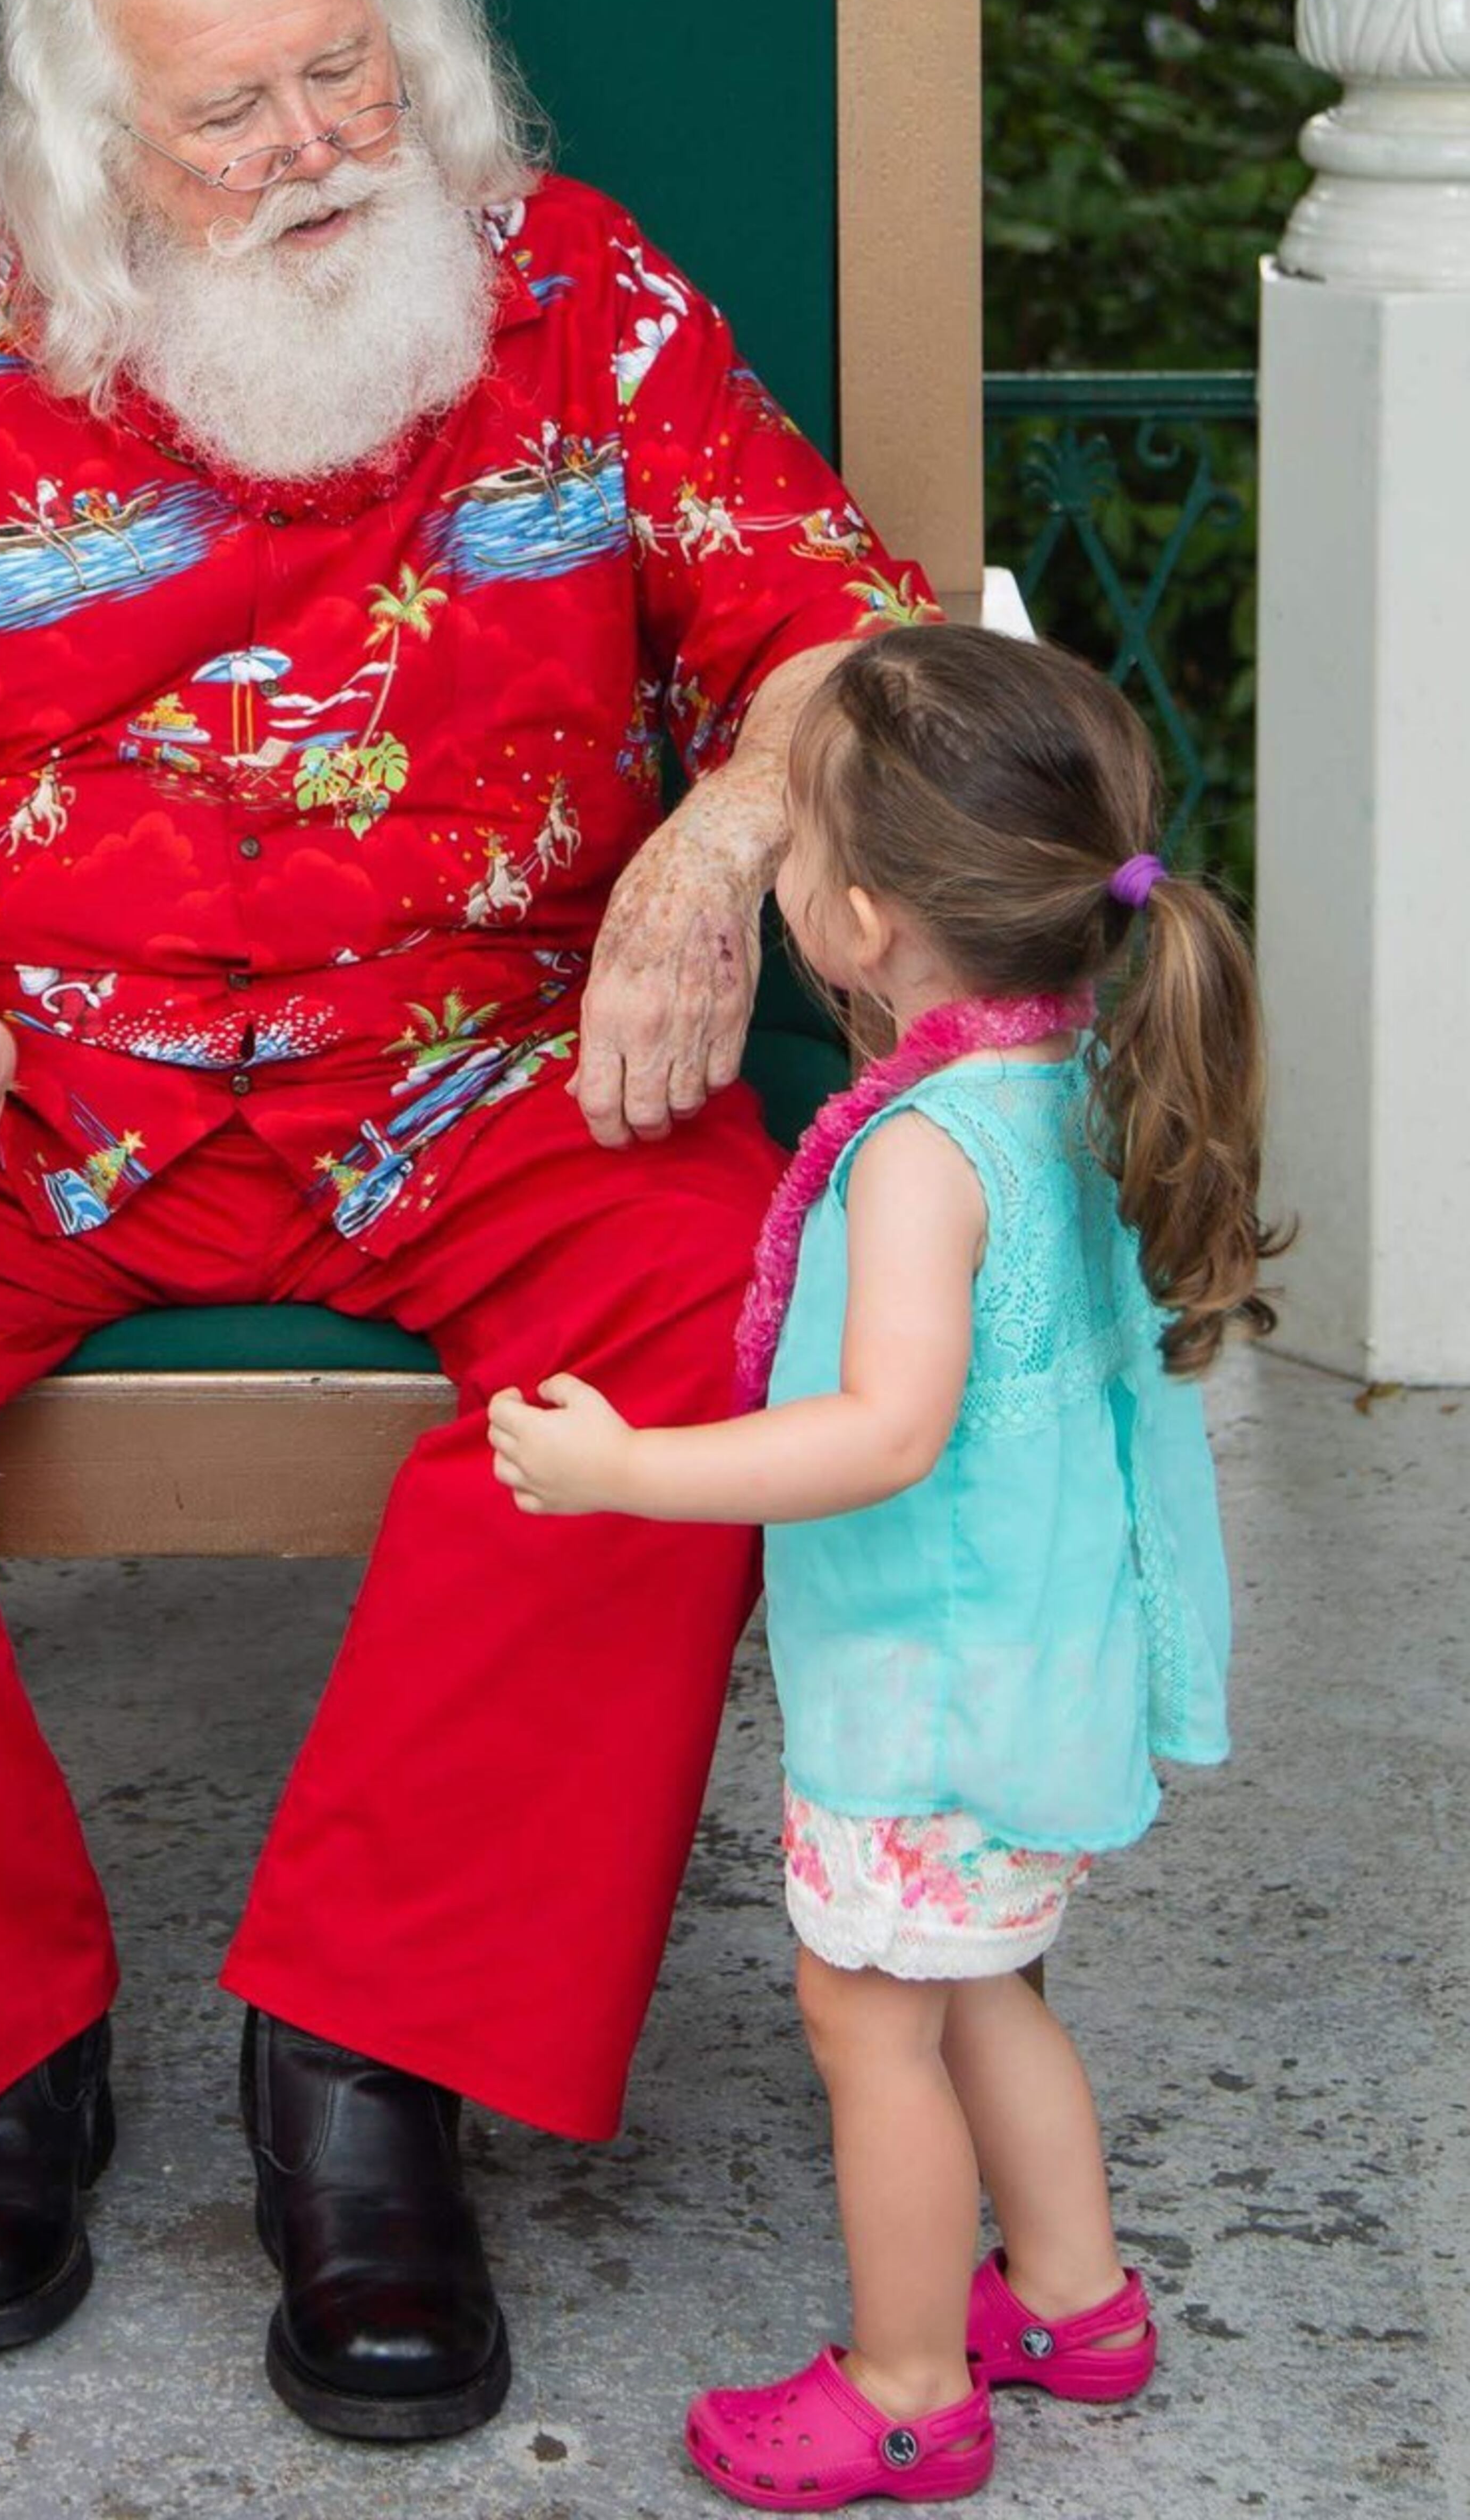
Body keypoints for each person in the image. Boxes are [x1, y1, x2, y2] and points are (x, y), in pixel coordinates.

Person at [0, 0, 939, 2428]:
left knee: (726, 1304)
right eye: (233, 112)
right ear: (94, 136)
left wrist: (716, 837)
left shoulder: (578, 285)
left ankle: (370, 2061)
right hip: (24, 1055)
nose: (317, 146)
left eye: (346, 73)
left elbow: (830, 624)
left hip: (484, 1050)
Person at [489, 622, 1277, 2509]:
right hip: (1031, 1662)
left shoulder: (926, 1151)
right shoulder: (1077, 1074)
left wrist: (625, 1470)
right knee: (990, 1987)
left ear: (852, 922)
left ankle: (912, 2385)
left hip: (930, 1690)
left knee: (871, 2021)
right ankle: (1075, 2303)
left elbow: (885, 1431)